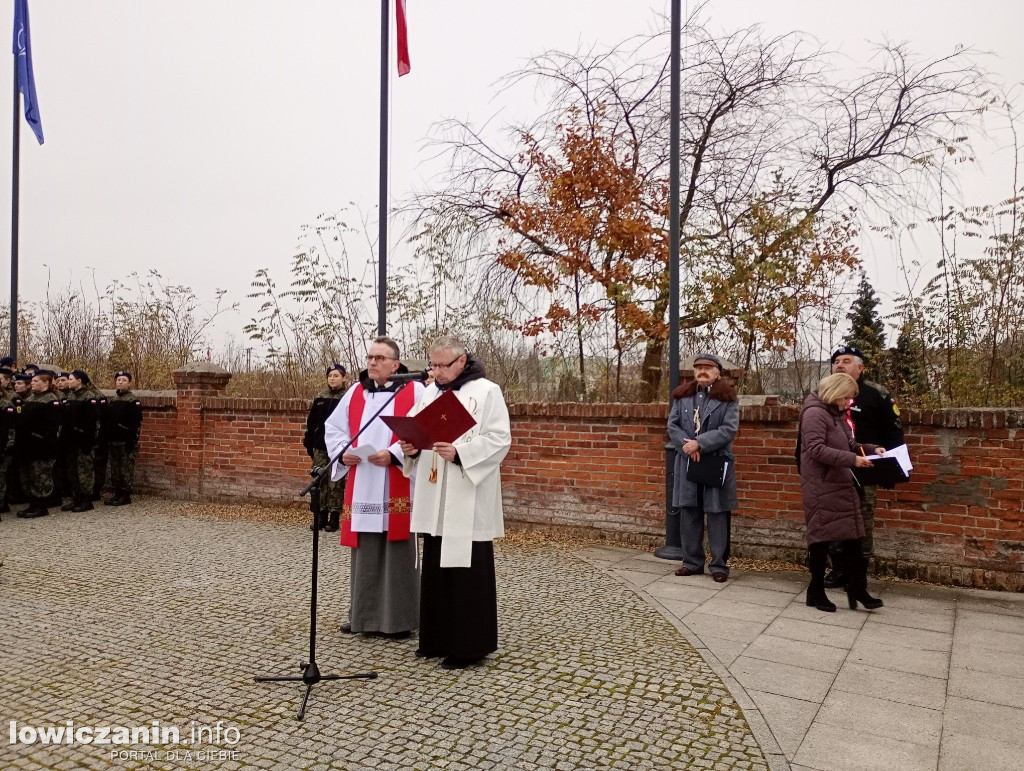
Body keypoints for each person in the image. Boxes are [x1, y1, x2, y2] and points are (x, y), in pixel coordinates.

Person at [399, 335, 512, 670]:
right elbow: (417, 431)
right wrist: (412, 448)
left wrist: (462, 452)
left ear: (462, 361)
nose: (435, 372)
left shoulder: (487, 391)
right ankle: (435, 639)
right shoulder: (430, 393)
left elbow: (499, 439)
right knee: (435, 564)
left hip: (466, 492)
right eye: (432, 365)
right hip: (435, 492)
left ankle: (468, 645)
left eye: (442, 365)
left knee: (466, 570)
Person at [324, 337, 424, 639]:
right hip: (363, 478)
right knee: (365, 551)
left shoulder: (414, 391)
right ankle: (363, 616)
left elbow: (422, 429)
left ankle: (398, 620)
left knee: (396, 552)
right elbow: (334, 428)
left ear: (395, 364)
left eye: (380, 358)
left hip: (397, 479)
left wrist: (393, 454)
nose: (372, 363)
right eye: (369, 357)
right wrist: (343, 452)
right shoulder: (356, 392)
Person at [799, 373, 885, 612]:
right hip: (821, 485)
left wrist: (870, 449)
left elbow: (846, 445)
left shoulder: (835, 415)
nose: (849, 402)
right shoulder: (814, 413)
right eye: (846, 397)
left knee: (853, 537)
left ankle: (857, 588)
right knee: (821, 539)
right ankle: (816, 590)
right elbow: (816, 449)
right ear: (834, 393)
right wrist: (852, 461)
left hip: (840, 483)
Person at [826, 345, 905, 587]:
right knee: (834, 519)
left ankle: (858, 574)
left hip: (867, 468)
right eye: (837, 361)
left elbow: (894, 432)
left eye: (846, 361)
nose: (840, 365)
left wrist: (894, 468)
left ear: (860, 367)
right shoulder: (825, 393)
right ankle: (838, 570)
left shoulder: (876, 394)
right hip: (834, 466)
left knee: (862, 521)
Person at [667, 353, 739, 583]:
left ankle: (718, 565)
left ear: (718, 371)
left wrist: (701, 444)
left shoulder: (728, 398)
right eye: (698, 367)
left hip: (715, 460)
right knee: (689, 511)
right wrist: (687, 446)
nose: (702, 371)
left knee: (717, 513)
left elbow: (729, 429)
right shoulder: (682, 396)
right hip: (687, 458)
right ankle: (691, 562)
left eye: (708, 367)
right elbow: (673, 425)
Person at [302, 364, 348, 532]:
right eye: (330, 376)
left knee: (335, 481)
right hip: (320, 446)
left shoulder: (347, 398)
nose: (332, 378)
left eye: (336, 376)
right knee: (319, 480)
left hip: (338, 447)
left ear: (344, 378)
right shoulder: (320, 397)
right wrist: (310, 442)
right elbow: (311, 422)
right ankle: (320, 516)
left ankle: (334, 517)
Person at [15, 371, 62, 518]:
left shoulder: (51, 400)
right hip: (28, 445)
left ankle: (41, 505)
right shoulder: (31, 397)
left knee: (41, 476)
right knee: (31, 475)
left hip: (42, 446)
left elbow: (53, 426)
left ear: (46, 383)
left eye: (36, 381)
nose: (33, 383)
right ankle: (33, 503)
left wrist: (41, 440)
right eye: (32, 381)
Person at [62, 369, 105, 512]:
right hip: (71, 441)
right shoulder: (71, 396)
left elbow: (94, 423)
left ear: (79, 381)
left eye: (71, 379)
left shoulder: (89, 397)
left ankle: (86, 499)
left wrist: (90, 441)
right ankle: (76, 498)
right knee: (72, 470)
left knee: (84, 471)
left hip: (84, 441)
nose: (68, 381)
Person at [104, 371, 143, 506]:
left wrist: (132, 440)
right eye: (118, 380)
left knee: (125, 469)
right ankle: (117, 493)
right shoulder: (114, 400)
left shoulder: (133, 401)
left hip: (126, 441)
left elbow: (136, 423)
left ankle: (125, 495)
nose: (120, 382)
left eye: (124, 380)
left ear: (129, 383)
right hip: (114, 440)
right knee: (115, 468)